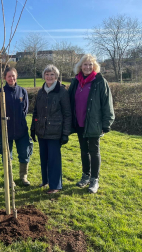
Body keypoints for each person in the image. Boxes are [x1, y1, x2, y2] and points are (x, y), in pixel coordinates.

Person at [68, 54, 115, 194]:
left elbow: (107, 104)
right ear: (80, 66)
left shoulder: (100, 82)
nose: (87, 67)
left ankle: (94, 179)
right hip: (80, 122)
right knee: (84, 151)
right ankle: (85, 176)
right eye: (85, 64)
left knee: (94, 151)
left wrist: (106, 124)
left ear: (94, 67)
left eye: (90, 65)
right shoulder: (75, 81)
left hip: (94, 123)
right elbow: (69, 100)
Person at [30, 65, 72, 194]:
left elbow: (67, 113)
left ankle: (55, 186)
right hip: (42, 131)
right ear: (44, 76)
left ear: (56, 76)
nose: (49, 76)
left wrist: (65, 133)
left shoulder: (62, 92)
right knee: (44, 157)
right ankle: (46, 180)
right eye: (47, 74)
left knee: (54, 159)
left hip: (55, 132)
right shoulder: (41, 91)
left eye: (52, 74)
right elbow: (36, 111)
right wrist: (33, 128)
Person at [0, 67, 33, 186]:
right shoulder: (0, 92)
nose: (11, 78)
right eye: (9, 76)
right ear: (5, 78)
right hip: (5, 129)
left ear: (16, 77)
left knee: (25, 153)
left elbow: (25, 109)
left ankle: (23, 176)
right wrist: (2, 123)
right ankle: (9, 179)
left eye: (13, 76)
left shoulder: (22, 91)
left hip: (21, 130)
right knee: (7, 155)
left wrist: (19, 121)